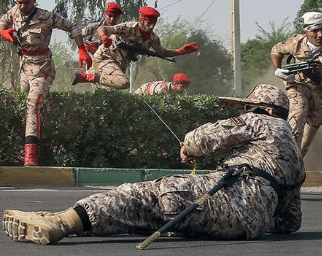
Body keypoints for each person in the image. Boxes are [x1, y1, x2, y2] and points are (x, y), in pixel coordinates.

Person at [3, 84, 305, 245]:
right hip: (244, 228)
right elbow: (290, 222)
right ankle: (64, 219)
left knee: (138, 197)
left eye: (248, 107)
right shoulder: (296, 158)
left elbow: (205, 138)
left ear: (263, 109)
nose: (246, 110)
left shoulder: (260, 121)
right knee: (145, 215)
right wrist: (255, 218)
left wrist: (188, 147)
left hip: (225, 199)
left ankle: (61, 223)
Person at [0, 0, 93, 166]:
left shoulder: (47, 17)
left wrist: (82, 49)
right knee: (22, 104)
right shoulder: (14, 12)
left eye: (26, 3)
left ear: (34, 1)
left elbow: (72, 27)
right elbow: (2, 22)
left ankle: (31, 155)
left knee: (32, 104)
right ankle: (19, 148)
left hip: (43, 68)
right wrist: (4, 32)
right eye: (19, 2)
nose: (22, 6)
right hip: (24, 68)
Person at [271, 11, 322, 156]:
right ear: (306, 32)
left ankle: (296, 162)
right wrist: (278, 70)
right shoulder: (295, 43)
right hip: (298, 86)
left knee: (307, 138)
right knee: (297, 117)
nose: (320, 35)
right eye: (315, 30)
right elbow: (276, 50)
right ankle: (286, 156)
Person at [71, 6, 199, 90]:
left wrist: (180, 51)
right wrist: (104, 37)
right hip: (105, 57)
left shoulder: (153, 38)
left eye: (154, 24)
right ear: (141, 20)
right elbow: (102, 28)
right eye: (149, 23)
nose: (152, 27)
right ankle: (86, 77)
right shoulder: (128, 27)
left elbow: (162, 52)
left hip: (120, 64)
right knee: (124, 83)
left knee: (110, 93)